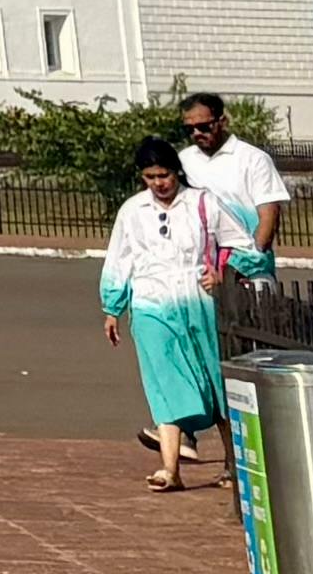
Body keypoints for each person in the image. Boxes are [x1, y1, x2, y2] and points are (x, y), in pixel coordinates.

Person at [99, 132, 253, 489]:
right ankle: (170, 469)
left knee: (214, 383)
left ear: (176, 172)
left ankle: (232, 464)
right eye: (151, 177)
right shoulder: (133, 211)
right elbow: (119, 260)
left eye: (164, 176)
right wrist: (112, 308)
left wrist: (222, 273)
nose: (159, 184)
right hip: (150, 304)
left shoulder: (203, 203)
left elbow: (242, 244)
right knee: (163, 383)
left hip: (198, 304)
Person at [174, 92, 292, 262]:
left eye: (204, 126)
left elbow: (269, 216)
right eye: (189, 129)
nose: (197, 133)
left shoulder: (253, 159)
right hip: (199, 267)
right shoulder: (183, 161)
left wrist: (253, 258)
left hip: (246, 264)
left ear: (222, 122)